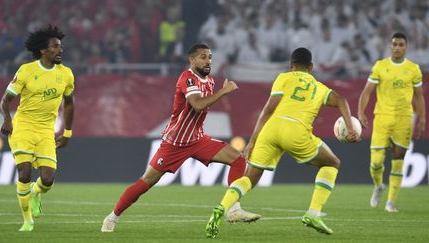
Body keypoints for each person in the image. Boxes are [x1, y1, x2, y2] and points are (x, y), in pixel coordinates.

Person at [101, 43, 260, 232]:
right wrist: (223, 92)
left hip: (197, 140)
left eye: (209, 57)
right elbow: (197, 105)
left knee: (238, 158)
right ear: (192, 60)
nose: (208, 60)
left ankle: (233, 209)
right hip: (175, 143)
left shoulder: (209, 81)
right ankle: (112, 217)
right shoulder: (187, 78)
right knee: (146, 182)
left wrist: (220, 91)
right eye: (202, 57)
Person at [205, 47, 359, 238]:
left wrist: (252, 141)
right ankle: (314, 214)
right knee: (332, 163)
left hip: (271, 129)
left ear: (291, 65)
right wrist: (351, 128)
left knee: (250, 178)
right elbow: (342, 100)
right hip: (296, 131)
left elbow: (268, 110)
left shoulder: (283, 78)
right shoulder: (319, 87)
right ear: (311, 67)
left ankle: (222, 207)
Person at [0, 25, 75, 232]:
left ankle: (35, 192)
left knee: (48, 180)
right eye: (55, 46)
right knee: (23, 173)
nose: (60, 50)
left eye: (61, 46)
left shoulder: (66, 74)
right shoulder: (26, 70)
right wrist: (7, 119)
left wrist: (67, 133)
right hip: (23, 126)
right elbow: (5, 100)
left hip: (45, 131)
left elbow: (69, 104)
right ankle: (28, 221)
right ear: (43, 50)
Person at [358, 32, 426, 213]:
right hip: (382, 118)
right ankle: (379, 186)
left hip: (404, 119)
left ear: (406, 47)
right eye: (394, 44)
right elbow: (366, 92)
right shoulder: (380, 66)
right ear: (390, 46)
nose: (397, 47)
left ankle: (390, 202)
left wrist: (422, 118)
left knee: (398, 161)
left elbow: (419, 97)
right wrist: (360, 112)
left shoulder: (413, 69)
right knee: (376, 162)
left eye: (401, 44)